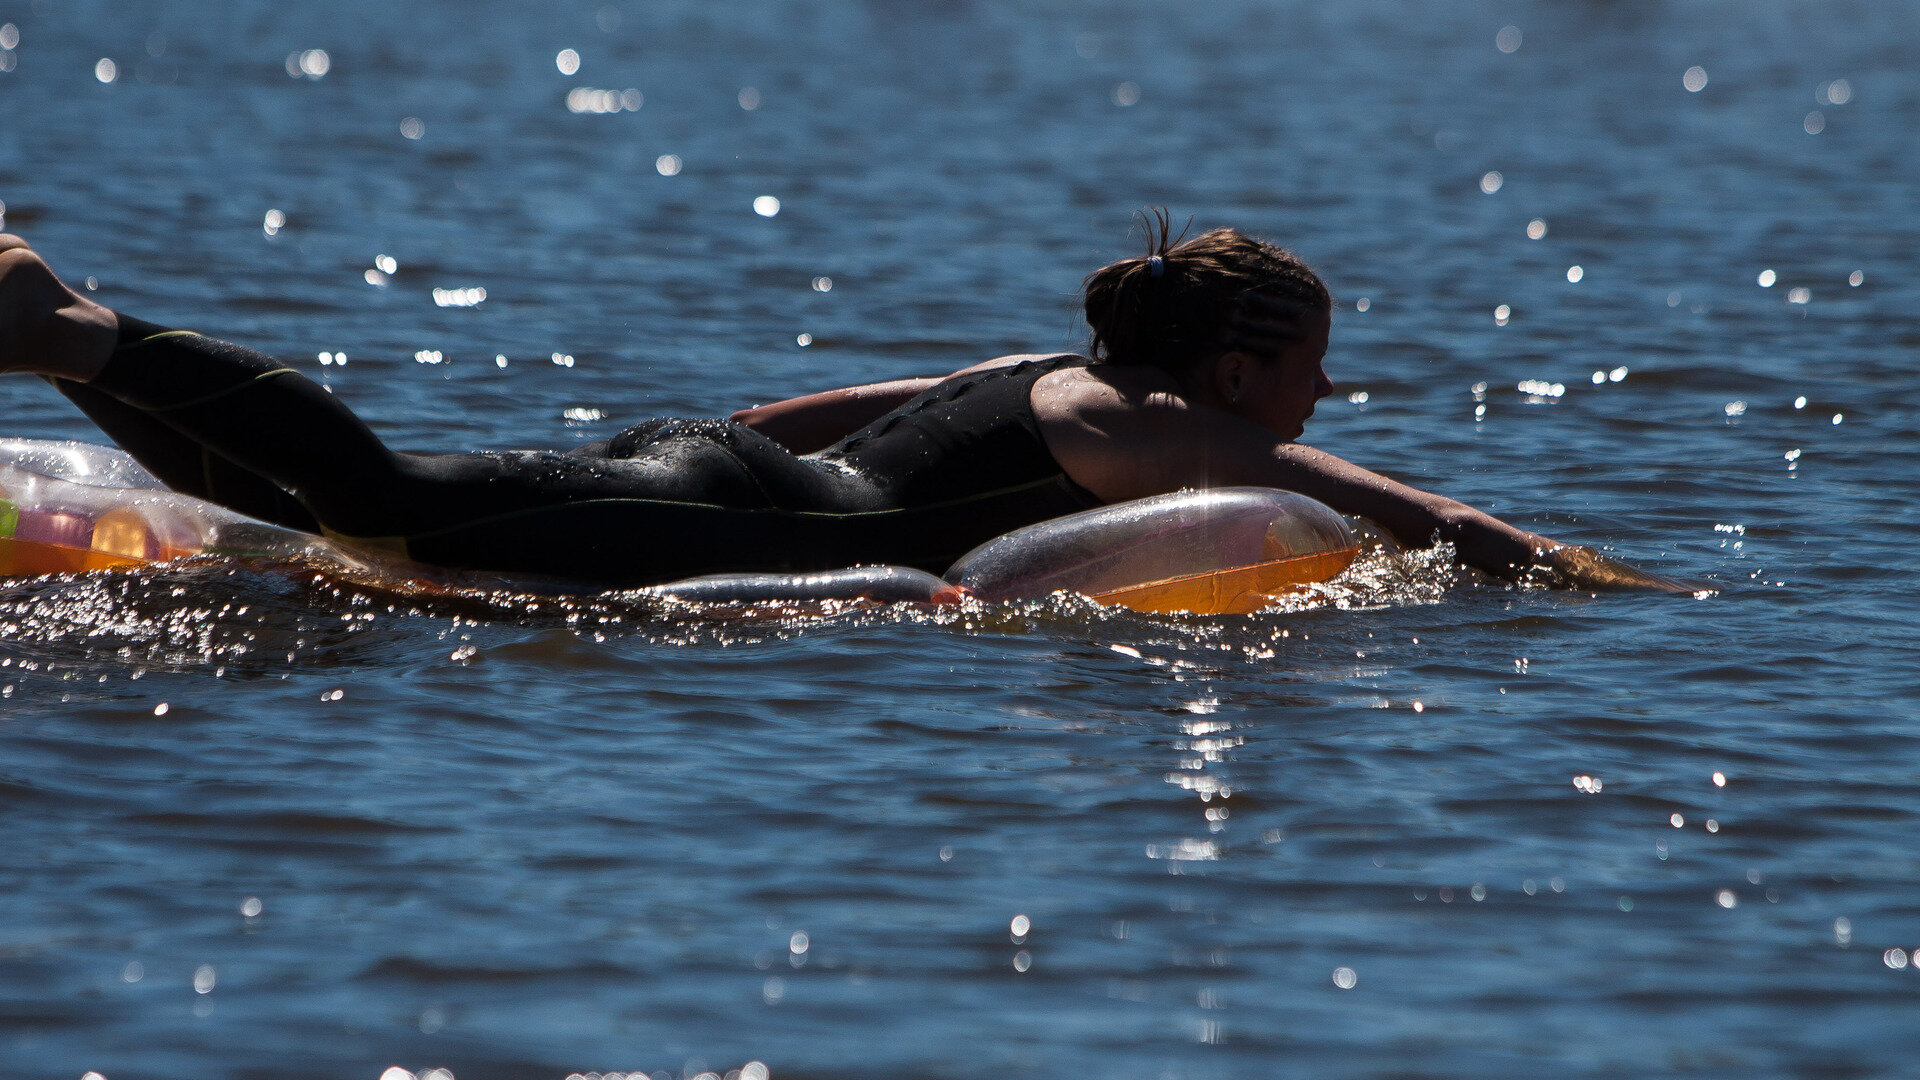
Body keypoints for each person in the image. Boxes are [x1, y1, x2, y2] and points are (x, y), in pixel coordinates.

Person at [0, 219, 1683, 591]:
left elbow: (794, 406)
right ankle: (73, 327)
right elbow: (1430, 519)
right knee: (392, 504)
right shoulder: (1205, 432)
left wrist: (670, 468)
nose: (1329, 389)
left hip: (706, 468)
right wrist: (1589, 580)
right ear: (1245, 371)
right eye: (1314, 361)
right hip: (754, 521)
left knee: (338, 511)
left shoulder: (1025, 375)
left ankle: (72, 339)